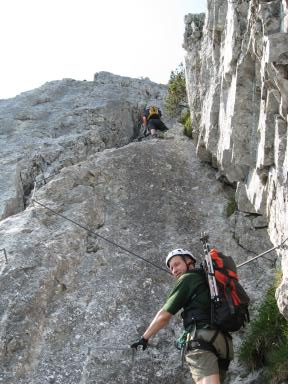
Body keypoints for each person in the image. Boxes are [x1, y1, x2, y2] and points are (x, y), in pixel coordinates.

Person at [130, 248, 233, 384]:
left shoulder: (188, 278)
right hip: (224, 343)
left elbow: (164, 315)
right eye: (171, 268)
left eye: (177, 264)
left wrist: (144, 338)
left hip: (203, 339)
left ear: (189, 261)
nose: (174, 270)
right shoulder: (209, 280)